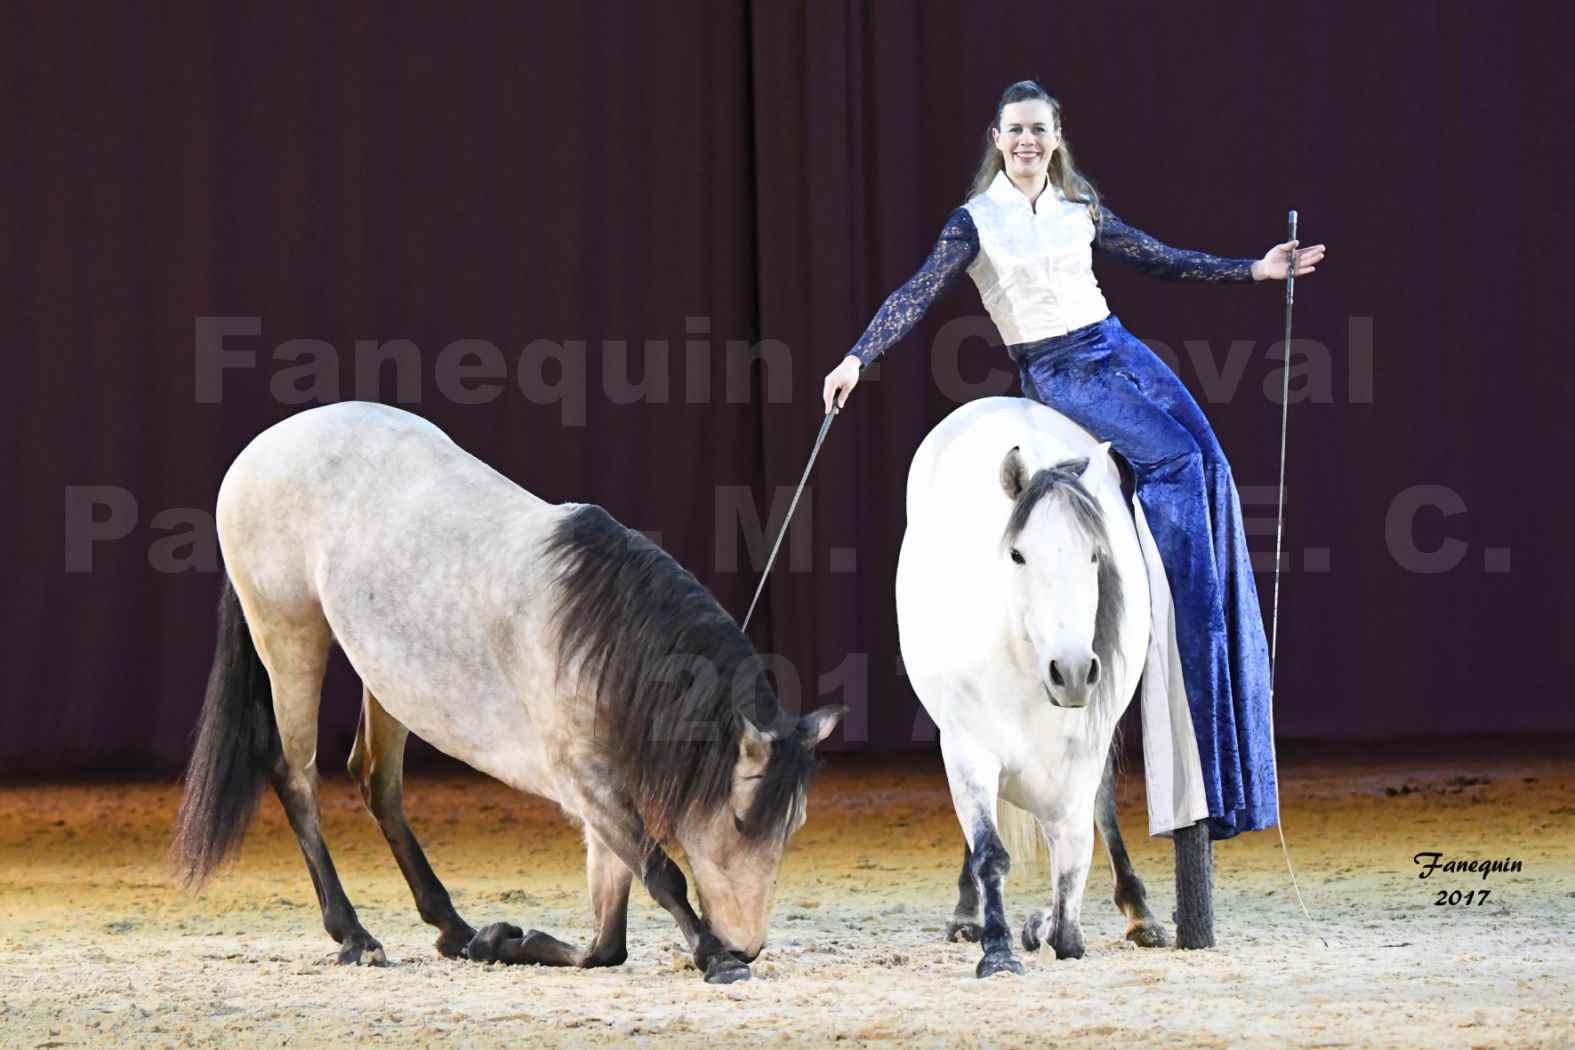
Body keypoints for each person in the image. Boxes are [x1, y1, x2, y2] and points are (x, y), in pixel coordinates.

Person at [822, 80, 1325, 858]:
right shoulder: (975, 222)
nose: (1027, 142)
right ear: (996, 137)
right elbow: (915, 292)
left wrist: (1253, 272)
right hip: (1057, 368)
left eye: (1040, 131)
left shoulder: (1076, 206)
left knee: (1210, 464)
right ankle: (1172, 598)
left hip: (1116, 347)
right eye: (1015, 130)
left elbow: (1155, 258)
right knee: (1176, 458)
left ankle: (1201, 602)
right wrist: (859, 355)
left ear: (1055, 138)